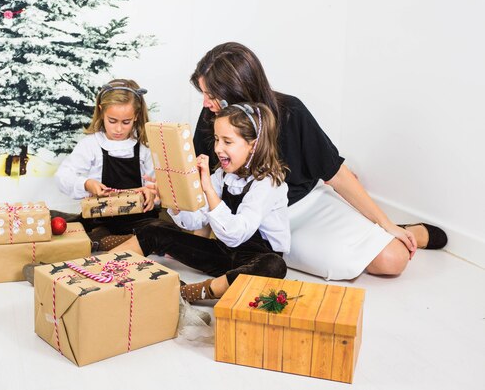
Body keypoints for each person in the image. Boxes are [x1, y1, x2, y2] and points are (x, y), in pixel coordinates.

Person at [191, 42, 447, 280]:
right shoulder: (211, 116)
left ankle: (405, 231)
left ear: (239, 88)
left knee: (393, 259)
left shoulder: (291, 111)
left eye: (211, 94)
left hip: (306, 207)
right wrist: (195, 238)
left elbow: (335, 173)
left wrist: (387, 224)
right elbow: (200, 179)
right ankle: (378, 234)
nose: (205, 103)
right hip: (254, 222)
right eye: (203, 93)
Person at [112, 102, 289, 303]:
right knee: (155, 229)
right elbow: (194, 221)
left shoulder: (268, 183)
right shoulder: (221, 175)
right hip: (224, 254)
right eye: (216, 139)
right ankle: (102, 266)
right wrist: (172, 199)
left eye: (227, 142)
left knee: (274, 265)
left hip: (255, 258)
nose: (218, 148)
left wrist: (208, 189)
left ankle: (191, 293)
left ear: (253, 145)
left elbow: (236, 234)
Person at [54, 78, 177, 250]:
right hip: (101, 217)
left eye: (126, 122)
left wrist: (152, 193)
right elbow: (63, 177)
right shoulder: (91, 145)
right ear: (101, 112)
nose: (118, 129)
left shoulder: (145, 147)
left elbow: (159, 186)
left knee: (163, 231)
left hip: (138, 220)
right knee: (77, 227)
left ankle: (108, 241)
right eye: (112, 121)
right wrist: (87, 184)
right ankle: (112, 240)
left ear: (136, 116)